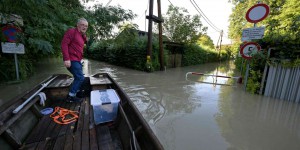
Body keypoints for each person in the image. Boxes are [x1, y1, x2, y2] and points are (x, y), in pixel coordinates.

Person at [61, 18, 88, 103]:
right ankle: (70, 97)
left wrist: (84, 37)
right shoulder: (71, 31)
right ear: (78, 25)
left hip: (78, 60)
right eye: (82, 25)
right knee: (80, 78)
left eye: (86, 26)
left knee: (78, 77)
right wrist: (66, 58)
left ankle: (77, 93)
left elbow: (82, 45)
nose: (84, 27)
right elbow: (64, 44)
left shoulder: (82, 36)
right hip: (72, 59)